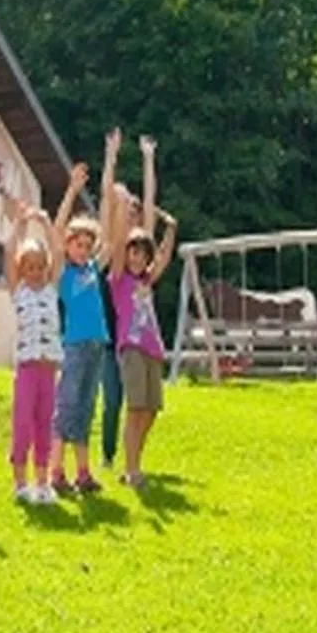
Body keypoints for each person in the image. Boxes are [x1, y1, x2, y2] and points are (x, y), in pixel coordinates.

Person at [49, 136, 118, 496]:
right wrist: (72, 190)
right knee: (67, 406)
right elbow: (57, 229)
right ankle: (55, 470)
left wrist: (110, 157)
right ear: (68, 247)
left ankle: (83, 472)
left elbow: (106, 227)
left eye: (87, 245)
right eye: (78, 244)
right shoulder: (64, 273)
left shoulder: (93, 268)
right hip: (74, 346)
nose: (84, 249)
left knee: (87, 408)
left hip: (97, 346)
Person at [108, 151, 176, 491]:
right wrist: (122, 208)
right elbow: (120, 242)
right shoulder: (119, 278)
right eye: (133, 252)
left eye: (141, 254)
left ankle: (134, 463)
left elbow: (163, 257)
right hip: (131, 347)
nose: (136, 257)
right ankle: (132, 470)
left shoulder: (145, 281)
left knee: (150, 410)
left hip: (152, 349)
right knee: (135, 408)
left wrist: (170, 232)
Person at [5, 201, 64, 504]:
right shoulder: (19, 292)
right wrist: (19, 224)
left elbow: (59, 251)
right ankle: (20, 482)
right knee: (23, 422)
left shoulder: (52, 290)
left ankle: (43, 482)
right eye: (30, 267)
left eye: (41, 267)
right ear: (21, 269)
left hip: (49, 369)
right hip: (27, 368)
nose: (37, 272)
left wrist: (45, 221)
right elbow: (8, 252)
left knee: (45, 422)